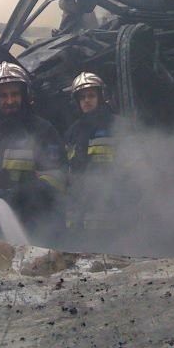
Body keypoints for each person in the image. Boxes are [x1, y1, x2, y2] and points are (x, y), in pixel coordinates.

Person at [0, 62, 65, 241]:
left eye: (15, 94)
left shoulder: (43, 131)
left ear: (25, 95)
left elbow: (58, 179)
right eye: (3, 96)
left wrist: (18, 194)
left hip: (40, 228)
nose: (9, 101)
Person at [64, 72, 116, 231]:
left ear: (102, 97)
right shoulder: (72, 132)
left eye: (91, 95)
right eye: (82, 97)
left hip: (111, 211)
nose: (86, 100)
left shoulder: (117, 126)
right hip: (79, 214)